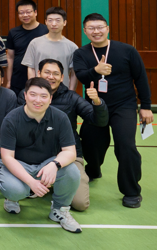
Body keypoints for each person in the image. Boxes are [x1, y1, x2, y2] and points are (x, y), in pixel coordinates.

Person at [73, 13, 152, 208]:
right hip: (95, 105)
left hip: (124, 105)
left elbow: (141, 78)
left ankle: (131, 191)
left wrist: (146, 106)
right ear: (85, 31)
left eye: (100, 27)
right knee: (90, 143)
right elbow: (82, 77)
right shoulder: (81, 53)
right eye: (91, 28)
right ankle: (93, 169)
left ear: (107, 28)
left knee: (126, 145)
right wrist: (96, 71)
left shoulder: (127, 50)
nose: (96, 31)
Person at [18, 58, 109, 211]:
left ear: (62, 77)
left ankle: (61, 181)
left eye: (56, 74)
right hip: (34, 156)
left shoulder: (72, 97)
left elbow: (99, 121)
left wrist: (97, 101)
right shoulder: (26, 95)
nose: (51, 77)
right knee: (17, 190)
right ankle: (47, 180)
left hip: (68, 157)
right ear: (39, 73)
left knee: (80, 204)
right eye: (47, 72)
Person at [0, 78, 82, 233]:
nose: (38, 100)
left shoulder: (60, 118)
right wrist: (31, 182)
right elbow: (7, 157)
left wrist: (54, 165)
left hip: (46, 164)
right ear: (25, 95)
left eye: (43, 96)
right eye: (33, 95)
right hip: (19, 164)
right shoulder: (11, 119)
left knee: (72, 172)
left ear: (50, 99)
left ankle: (59, 210)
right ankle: (12, 199)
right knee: (14, 189)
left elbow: (70, 152)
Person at [23, 7, 78, 87]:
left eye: (58, 20)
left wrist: (71, 91)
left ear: (65, 22)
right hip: (40, 89)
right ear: (46, 22)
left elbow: (73, 73)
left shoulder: (72, 47)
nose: (54, 24)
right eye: (50, 20)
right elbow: (31, 68)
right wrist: (33, 87)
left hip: (62, 90)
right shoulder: (35, 43)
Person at [5, 0, 49, 94]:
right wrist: (8, 81)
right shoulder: (13, 32)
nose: (25, 15)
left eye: (28, 12)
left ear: (35, 12)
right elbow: (10, 57)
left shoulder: (46, 31)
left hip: (40, 79)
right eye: (21, 13)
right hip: (18, 79)